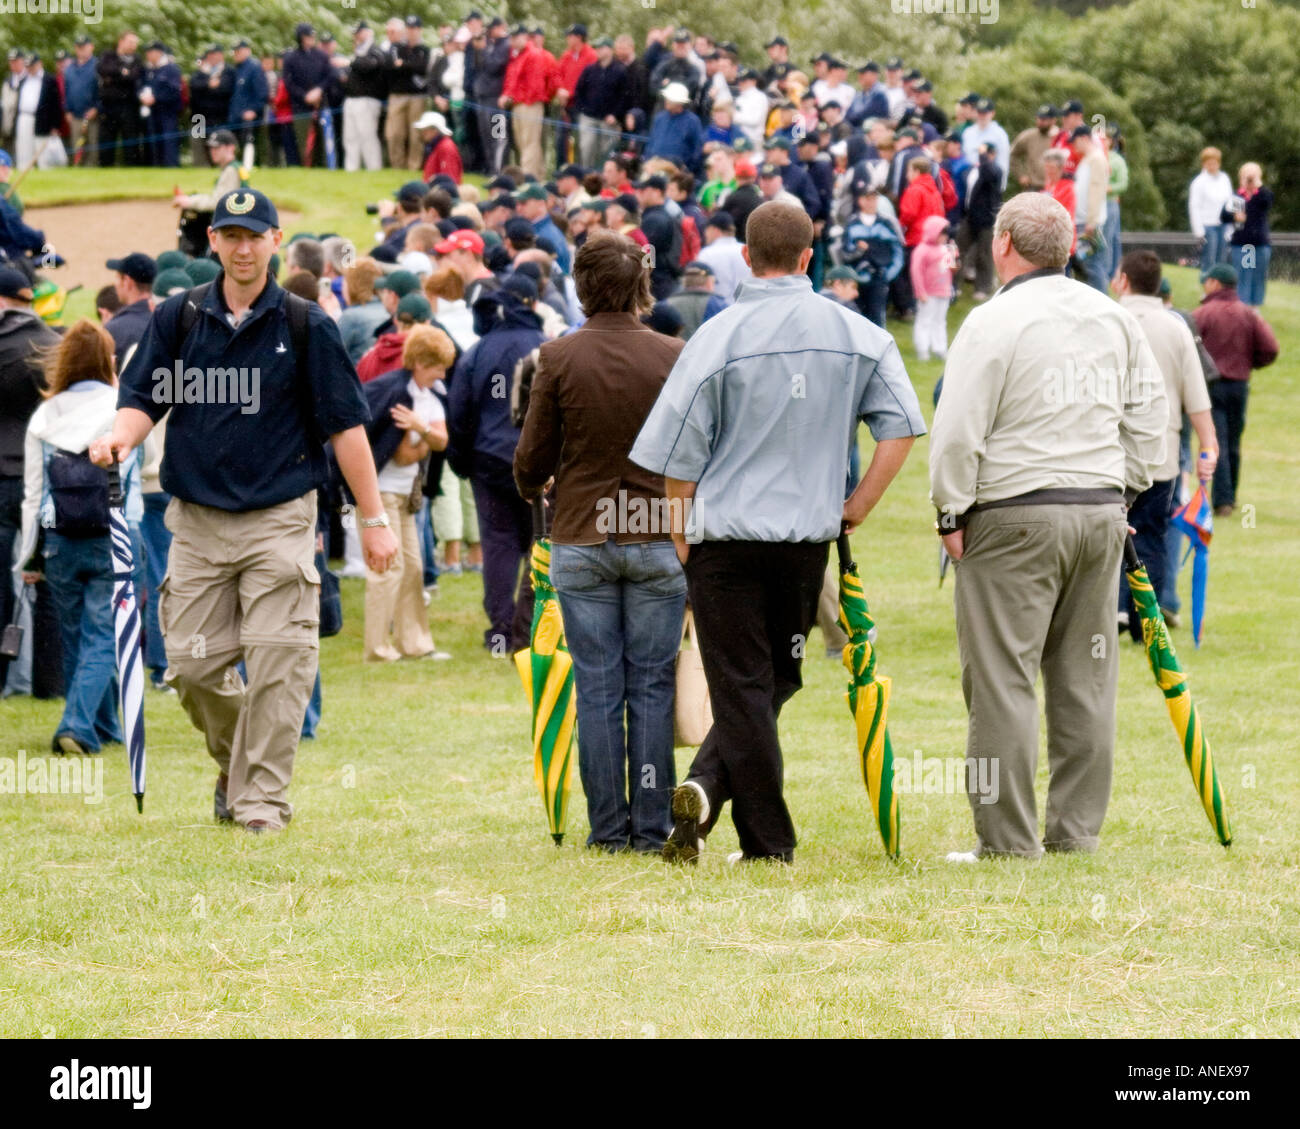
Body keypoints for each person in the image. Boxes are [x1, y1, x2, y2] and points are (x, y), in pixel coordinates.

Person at [90, 188, 399, 833]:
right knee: (194, 666)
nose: (242, 246)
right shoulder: (179, 317)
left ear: (275, 241)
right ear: (213, 243)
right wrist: (121, 435)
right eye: (230, 235)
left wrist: (372, 521)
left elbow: (346, 428)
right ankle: (236, 765)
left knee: (281, 663)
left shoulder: (304, 323)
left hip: (281, 519)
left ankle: (260, 804)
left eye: (254, 235)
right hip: (196, 522)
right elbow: (143, 395)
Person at [630, 202, 925, 865]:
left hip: (724, 539)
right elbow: (900, 426)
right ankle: (750, 829)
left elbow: (678, 457)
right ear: (808, 255)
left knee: (744, 683)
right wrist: (857, 505)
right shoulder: (858, 333)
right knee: (771, 679)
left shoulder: (715, 337)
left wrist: (680, 531)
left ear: (746, 254)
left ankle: (740, 819)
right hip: (803, 542)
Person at [928, 193, 1167, 862]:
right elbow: (1151, 419)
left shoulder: (991, 321)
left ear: (1003, 243)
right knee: (1086, 675)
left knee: (1002, 677)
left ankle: (1006, 840)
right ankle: (1075, 831)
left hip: (1013, 510)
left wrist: (950, 507)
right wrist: (1126, 488)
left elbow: (957, 427)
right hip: (1098, 507)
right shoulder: (1112, 316)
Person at [513, 230, 686, 853]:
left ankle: (608, 831)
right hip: (654, 531)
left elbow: (531, 459)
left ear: (582, 286)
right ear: (642, 283)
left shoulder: (557, 358)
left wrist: (538, 483)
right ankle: (652, 827)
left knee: (598, 687)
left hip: (583, 532)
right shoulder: (673, 354)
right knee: (651, 685)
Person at [19, 319, 142, 754]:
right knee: (105, 636)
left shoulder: (44, 415)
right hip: (115, 534)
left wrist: (27, 558)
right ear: (107, 360)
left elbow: (32, 497)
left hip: (59, 540)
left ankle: (101, 726)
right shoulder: (123, 407)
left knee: (77, 639)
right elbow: (134, 480)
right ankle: (76, 725)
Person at [1113, 250, 1218, 641]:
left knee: (1106, 538)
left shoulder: (1106, 320)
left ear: (1123, 280)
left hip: (1108, 457)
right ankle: (1146, 625)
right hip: (1160, 456)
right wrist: (1209, 445)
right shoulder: (1175, 328)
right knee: (1151, 538)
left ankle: (1112, 613)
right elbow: (1197, 396)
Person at [446, 273, 545, 653]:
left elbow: (459, 413)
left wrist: (462, 460)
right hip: (536, 463)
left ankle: (503, 631)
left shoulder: (479, 351)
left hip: (489, 461)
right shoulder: (546, 346)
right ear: (532, 304)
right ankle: (529, 627)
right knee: (539, 543)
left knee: (500, 544)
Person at [361, 325, 453, 662]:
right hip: (381, 492)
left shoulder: (431, 398)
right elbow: (400, 454)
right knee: (387, 569)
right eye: (437, 366)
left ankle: (415, 643)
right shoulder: (393, 393)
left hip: (406, 493)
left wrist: (420, 428)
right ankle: (378, 647)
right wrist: (423, 437)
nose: (442, 373)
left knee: (413, 567)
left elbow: (441, 440)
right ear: (419, 363)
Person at [0, 265, 58, 690]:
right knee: (43, 580)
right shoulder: (54, 345)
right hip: (45, 475)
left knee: (8, 579)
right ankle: (47, 678)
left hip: (3, 478)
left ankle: (10, 676)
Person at [1193, 263, 1279, 516]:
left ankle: (1223, 501)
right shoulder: (1249, 314)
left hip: (1211, 385)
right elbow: (1270, 348)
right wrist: (1249, 364)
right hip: (1239, 385)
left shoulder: (1202, 314)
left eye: (1207, 281)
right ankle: (1231, 495)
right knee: (1233, 440)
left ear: (1216, 284)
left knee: (1216, 439)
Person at [841, 180, 903, 328]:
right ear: (860, 200)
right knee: (856, 318)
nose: (871, 202)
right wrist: (859, 251)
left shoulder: (887, 223)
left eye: (874, 198)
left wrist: (889, 273)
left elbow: (898, 251)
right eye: (868, 198)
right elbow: (846, 254)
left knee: (877, 318)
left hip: (880, 277)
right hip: (857, 279)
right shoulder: (852, 224)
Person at [339, 21, 387, 173]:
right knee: (350, 136)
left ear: (367, 32)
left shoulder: (375, 50)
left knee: (367, 136)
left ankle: (374, 168)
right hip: (351, 98)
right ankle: (351, 169)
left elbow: (369, 66)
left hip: (367, 99)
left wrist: (351, 62)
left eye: (359, 33)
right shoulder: (358, 51)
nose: (356, 36)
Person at [283, 24, 332, 169]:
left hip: (321, 103)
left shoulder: (321, 55)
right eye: (308, 36)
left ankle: (324, 167)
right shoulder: (291, 58)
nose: (311, 39)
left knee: (322, 141)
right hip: (300, 106)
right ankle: (306, 167)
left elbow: (330, 75)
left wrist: (319, 90)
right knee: (303, 141)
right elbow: (288, 82)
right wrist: (304, 96)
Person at [1223, 161, 1272, 308]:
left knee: (1258, 275)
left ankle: (1255, 306)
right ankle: (1243, 305)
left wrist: (1258, 186)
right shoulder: (1237, 197)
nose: (1250, 180)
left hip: (1260, 243)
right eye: (1247, 176)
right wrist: (1234, 217)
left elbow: (1267, 203)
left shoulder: (1262, 195)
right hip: (1244, 243)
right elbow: (1224, 216)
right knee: (1244, 274)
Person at [910, 215, 956, 362]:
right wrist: (920, 291)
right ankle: (923, 349)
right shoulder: (922, 250)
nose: (944, 237)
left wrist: (954, 256)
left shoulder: (945, 249)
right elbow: (916, 271)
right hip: (928, 293)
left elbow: (951, 269)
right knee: (925, 320)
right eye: (941, 233)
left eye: (945, 234)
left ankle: (940, 348)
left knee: (940, 320)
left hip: (943, 291)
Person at [1069, 126, 1109, 292]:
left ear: (1084, 138)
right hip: (1082, 220)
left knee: (1092, 267)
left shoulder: (1097, 160)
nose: (1074, 147)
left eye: (1075, 142)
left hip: (1090, 222)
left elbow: (1096, 191)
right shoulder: (1087, 160)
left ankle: (1102, 303)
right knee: (1085, 267)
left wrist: (1091, 221)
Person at [96, 32, 142, 166]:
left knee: (130, 142)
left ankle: (132, 171)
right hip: (108, 106)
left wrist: (113, 78)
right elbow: (102, 69)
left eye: (135, 43)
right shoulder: (108, 56)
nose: (134, 46)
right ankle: (105, 170)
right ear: (120, 41)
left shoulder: (137, 59)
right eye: (130, 42)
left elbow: (134, 76)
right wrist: (122, 72)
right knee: (106, 141)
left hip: (129, 107)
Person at [103, 252, 156, 367]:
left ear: (127, 282)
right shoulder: (166, 319)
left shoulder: (114, 329)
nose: (116, 285)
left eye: (118, 278)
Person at [1188, 147, 1233, 280]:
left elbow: (1229, 202)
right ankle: (1206, 291)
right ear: (1204, 164)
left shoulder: (1224, 179)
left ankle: (1220, 291)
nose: (1212, 166)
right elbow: (1194, 207)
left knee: (1221, 261)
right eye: (1209, 163)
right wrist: (1199, 231)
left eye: (1214, 162)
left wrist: (1231, 225)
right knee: (1209, 260)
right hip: (1208, 226)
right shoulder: (1198, 182)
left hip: (1223, 225)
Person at [188, 45, 234, 168]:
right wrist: (209, 84)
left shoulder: (228, 71)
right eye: (210, 55)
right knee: (198, 145)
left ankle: (220, 166)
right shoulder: (201, 72)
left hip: (220, 115)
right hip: (199, 115)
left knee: (218, 143)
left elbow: (225, 89)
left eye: (216, 54)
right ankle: (200, 168)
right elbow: (193, 86)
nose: (212, 58)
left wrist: (209, 88)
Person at [138, 42, 182, 168]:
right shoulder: (148, 69)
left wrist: (156, 98)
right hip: (152, 113)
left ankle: (171, 168)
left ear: (159, 52)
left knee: (168, 144)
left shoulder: (171, 69)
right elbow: (140, 86)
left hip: (167, 113)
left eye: (150, 52)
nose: (147, 55)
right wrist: (142, 96)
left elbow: (174, 92)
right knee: (153, 144)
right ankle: (156, 167)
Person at [228, 39, 268, 166]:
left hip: (249, 117)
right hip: (237, 117)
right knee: (238, 147)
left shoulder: (254, 67)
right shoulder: (237, 69)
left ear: (247, 51)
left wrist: (254, 110)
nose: (235, 54)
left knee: (250, 147)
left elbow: (262, 93)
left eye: (238, 51)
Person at [666, 260, 727, 338]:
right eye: (713, 282)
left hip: (674, 349)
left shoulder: (666, 304)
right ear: (709, 281)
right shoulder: (719, 306)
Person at [63, 35, 99, 167]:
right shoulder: (69, 68)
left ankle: (92, 173)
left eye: (84, 47)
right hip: (75, 115)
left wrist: (97, 108)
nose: (81, 50)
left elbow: (101, 91)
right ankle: (77, 171)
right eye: (79, 47)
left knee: (92, 148)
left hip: (92, 114)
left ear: (91, 47)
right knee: (77, 148)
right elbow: (67, 92)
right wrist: (67, 110)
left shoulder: (98, 65)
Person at [1009, 104, 1056, 192]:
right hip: (1032, 187)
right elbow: (1012, 155)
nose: (1040, 122)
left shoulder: (1060, 137)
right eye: (1039, 118)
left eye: (1044, 119)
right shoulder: (1028, 136)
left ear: (1053, 120)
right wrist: (1021, 175)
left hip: (1054, 188)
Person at [415, 111, 461, 183]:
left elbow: (450, 180)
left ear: (435, 130)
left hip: (440, 193)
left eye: (425, 129)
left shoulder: (446, 148)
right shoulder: (436, 146)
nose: (422, 132)